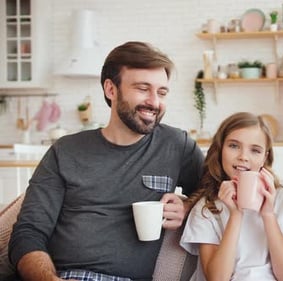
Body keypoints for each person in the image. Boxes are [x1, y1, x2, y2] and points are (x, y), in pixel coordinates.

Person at [8, 41, 205, 281]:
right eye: (143, 88)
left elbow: (213, 189)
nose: (154, 102)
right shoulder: (65, 151)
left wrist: (186, 207)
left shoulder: (176, 145)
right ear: (111, 89)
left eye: (162, 92)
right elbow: (28, 232)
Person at [180, 112, 283, 281]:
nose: (243, 156)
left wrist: (268, 215)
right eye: (234, 146)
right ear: (221, 148)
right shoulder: (206, 207)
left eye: (255, 150)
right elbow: (217, 278)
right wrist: (236, 215)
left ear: (264, 158)